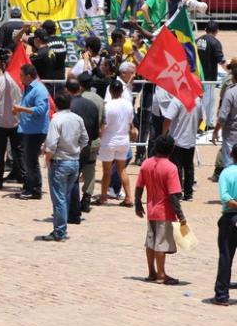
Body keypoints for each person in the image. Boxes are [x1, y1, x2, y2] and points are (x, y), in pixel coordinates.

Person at [135, 135, 187, 285]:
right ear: (171, 149)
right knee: (161, 244)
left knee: (150, 242)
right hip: (165, 211)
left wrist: (138, 204)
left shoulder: (146, 164)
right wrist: (181, 215)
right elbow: (173, 196)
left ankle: (151, 272)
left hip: (151, 210)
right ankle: (161, 274)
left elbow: (139, 186)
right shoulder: (171, 168)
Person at [41, 92, 89, 242]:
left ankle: (60, 231)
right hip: (74, 161)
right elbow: (85, 139)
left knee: (59, 199)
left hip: (60, 162)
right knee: (64, 197)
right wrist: (75, 150)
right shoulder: (78, 119)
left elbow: (51, 144)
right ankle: (61, 228)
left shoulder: (56, 120)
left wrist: (48, 160)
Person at [94, 79, 137, 207]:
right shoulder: (128, 104)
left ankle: (103, 197)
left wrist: (98, 138)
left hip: (109, 141)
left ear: (111, 91)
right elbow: (130, 123)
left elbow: (103, 126)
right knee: (122, 169)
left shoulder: (107, 106)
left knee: (106, 171)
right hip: (123, 140)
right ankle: (129, 197)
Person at [0, 50, 25, 188]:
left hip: (1, 122)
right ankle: (23, 177)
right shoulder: (20, 82)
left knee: (0, 153)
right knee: (18, 152)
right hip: (16, 121)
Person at [13, 64, 50, 200]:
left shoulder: (39, 89)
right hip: (28, 129)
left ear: (29, 76)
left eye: (21, 75)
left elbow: (41, 110)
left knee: (32, 161)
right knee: (28, 160)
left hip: (36, 131)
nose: (20, 78)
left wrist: (21, 109)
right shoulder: (28, 88)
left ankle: (35, 189)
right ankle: (29, 186)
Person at [66, 78, 100, 223]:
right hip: (86, 147)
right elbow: (95, 131)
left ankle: (70, 212)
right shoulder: (92, 105)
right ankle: (76, 209)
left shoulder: (69, 106)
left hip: (70, 148)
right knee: (78, 176)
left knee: (69, 182)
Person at [212, 143, 237, 305]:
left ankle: (222, 295)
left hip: (230, 218)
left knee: (226, 256)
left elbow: (225, 197)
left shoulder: (226, 173)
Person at [77, 72, 105, 212]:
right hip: (94, 139)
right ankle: (87, 198)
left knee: (74, 168)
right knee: (90, 169)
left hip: (78, 141)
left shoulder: (78, 99)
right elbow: (103, 123)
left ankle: (72, 197)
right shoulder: (99, 100)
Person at [197, 21, 225, 130]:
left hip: (197, 77)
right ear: (217, 31)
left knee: (199, 102)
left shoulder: (197, 40)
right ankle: (206, 125)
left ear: (205, 29)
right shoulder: (215, 42)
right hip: (209, 79)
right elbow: (221, 60)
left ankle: (202, 123)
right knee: (208, 103)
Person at [213, 66, 237, 168]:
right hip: (231, 133)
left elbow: (223, 116)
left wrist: (215, 131)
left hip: (231, 135)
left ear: (234, 78)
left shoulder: (231, 92)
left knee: (230, 164)